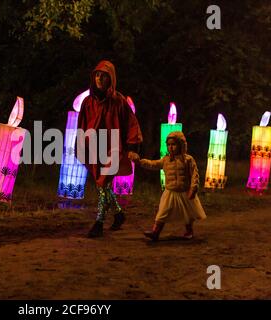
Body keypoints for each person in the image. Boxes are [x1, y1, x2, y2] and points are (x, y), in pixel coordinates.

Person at [77, 60, 143, 238]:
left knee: (103, 183)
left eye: (104, 75)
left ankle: (99, 222)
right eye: (97, 75)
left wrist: (132, 146)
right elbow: (82, 125)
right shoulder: (88, 102)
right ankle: (119, 214)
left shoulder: (118, 101)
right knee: (102, 185)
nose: (99, 78)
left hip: (113, 148)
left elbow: (131, 123)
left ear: (111, 78)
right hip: (94, 147)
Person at [129, 131, 207, 241]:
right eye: (169, 145)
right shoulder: (166, 160)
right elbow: (153, 164)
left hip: (185, 191)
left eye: (173, 144)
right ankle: (155, 232)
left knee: (188, 213)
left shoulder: (188, 160)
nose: (171, 147)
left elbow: (195, 174)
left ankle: (189, 230)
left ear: (181, 145)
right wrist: (140, 162)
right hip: (170, 191)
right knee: (163, 211)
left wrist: (194, 188)